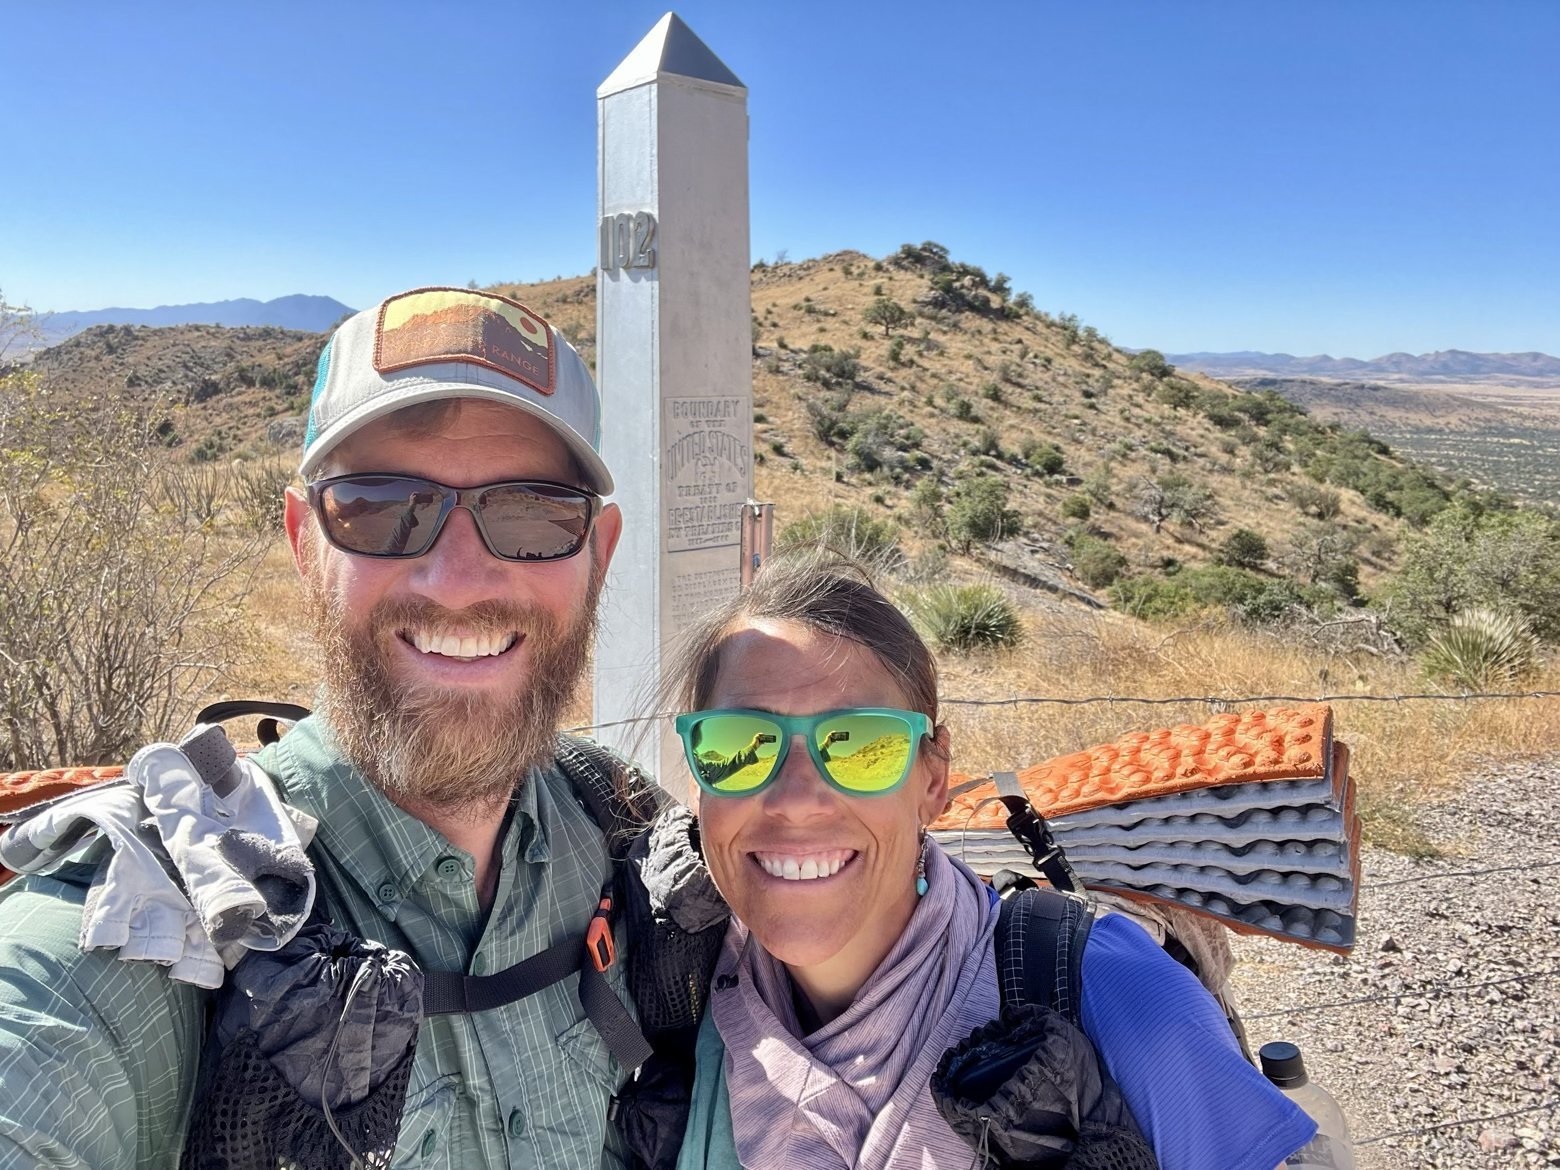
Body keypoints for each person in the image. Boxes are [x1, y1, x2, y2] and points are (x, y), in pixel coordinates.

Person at [0, 287, 641, 1168]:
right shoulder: (149, 926)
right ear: (306, 544)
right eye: (381, 508)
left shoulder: (614, 828)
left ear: (597, 555)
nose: (458, 581)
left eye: (533, 513)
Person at [660, 554, 1318, 1170]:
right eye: (737, 745)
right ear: (696, 779)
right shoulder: (668, 994)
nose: (797, 801)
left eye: (861, 746)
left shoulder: (1112, 994)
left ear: (933, 779)